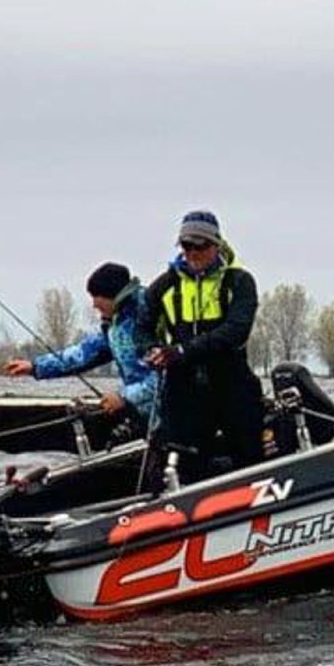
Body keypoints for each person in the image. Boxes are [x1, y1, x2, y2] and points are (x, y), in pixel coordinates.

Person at [135, 209, 265, 491]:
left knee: (249, 455)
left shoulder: (239, 282)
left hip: (232, 382)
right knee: (180, 463)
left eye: (200, 246)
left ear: (216, 245)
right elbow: (141, 331)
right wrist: (152, 351)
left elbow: (236, 331)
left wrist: (182, 351)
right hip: (183, 391)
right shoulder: (163, 286)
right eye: (186, 246)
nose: (192, 252)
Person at [2, 262, 159, 428]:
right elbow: (82, 354)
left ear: (114, 295)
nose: (94, 305)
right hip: (147, 419)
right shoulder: (113, 326)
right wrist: (34, 366)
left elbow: (167, 377)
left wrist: (124, 397)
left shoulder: (150, 317)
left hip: (173, 419)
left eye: (96, 297)